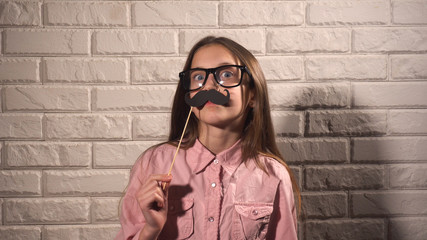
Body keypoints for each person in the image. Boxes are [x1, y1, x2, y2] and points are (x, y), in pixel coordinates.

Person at [115, 36, 300, 240]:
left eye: (226, 74)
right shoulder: (154, 164)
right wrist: (150, 230)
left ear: (253, 96)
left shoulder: (273, 175)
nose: (208, 87)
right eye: (198, 77)